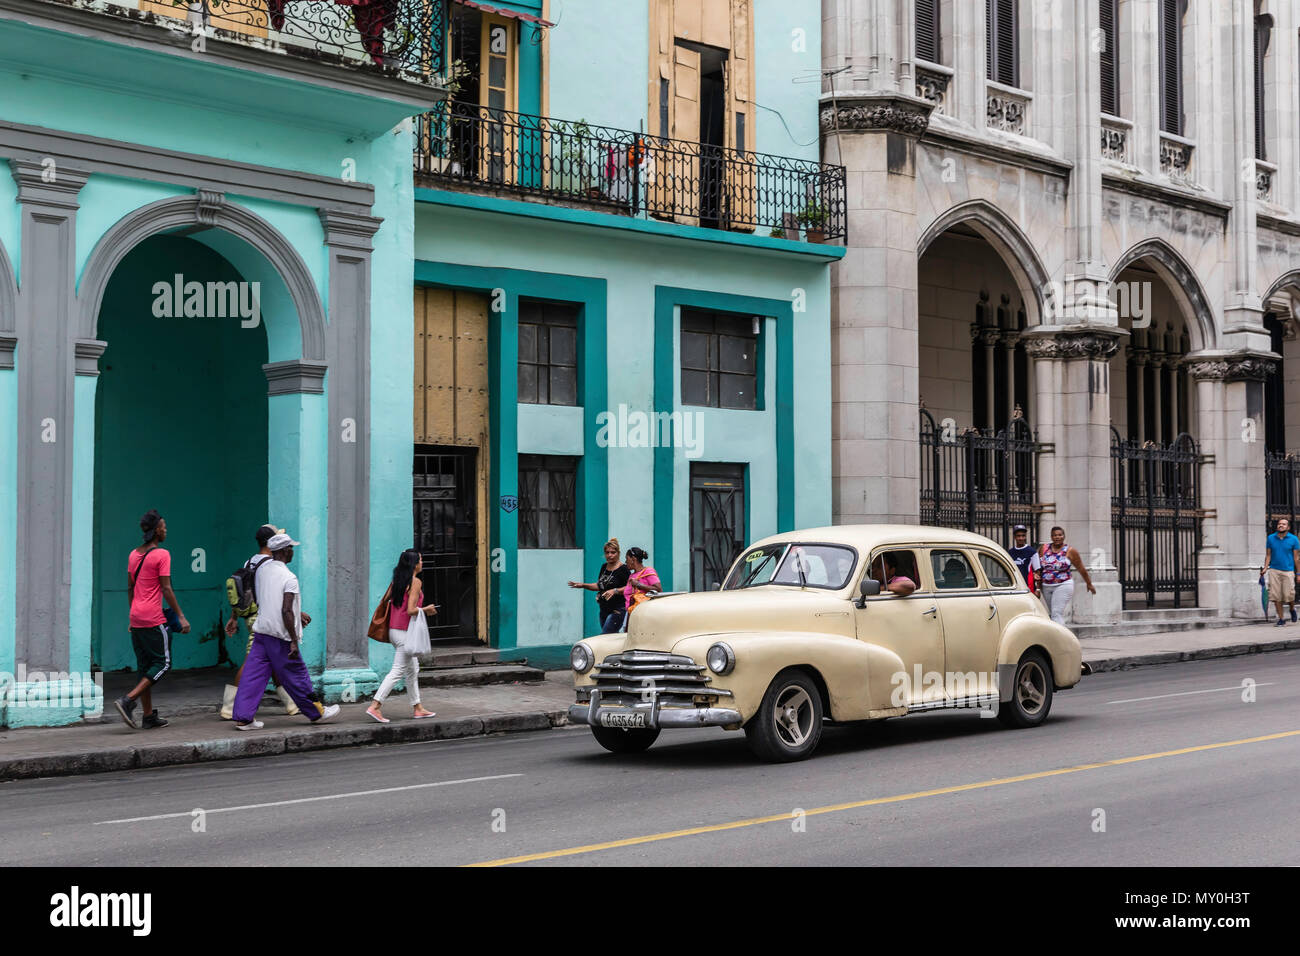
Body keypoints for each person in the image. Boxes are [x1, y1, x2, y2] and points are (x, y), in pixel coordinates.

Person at [231, 532, 340, 729]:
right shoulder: (289, 577)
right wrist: (293, 639)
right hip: (280, 636)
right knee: (297, 675)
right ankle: (317, 712)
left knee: (253, 676)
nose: (292, 552)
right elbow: (286, 610)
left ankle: (243, 717)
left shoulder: (262, 570)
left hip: (262, 632)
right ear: (283, 551)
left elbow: (261, 598)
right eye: (291, 548)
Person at [114, 510, 190, 730]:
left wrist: (133, 614)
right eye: (164, 526)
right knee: (163, 664)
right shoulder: (162, 555)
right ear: (157, 530)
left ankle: (148, 716)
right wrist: (181, 617)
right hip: (153, 618)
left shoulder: (133, 555)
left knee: (144, 667)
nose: (166, 530)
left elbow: (130, 587)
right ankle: (128, 700)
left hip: (136, 617)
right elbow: (166, 588)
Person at [220, 524, 298, 719]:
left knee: (273, 660)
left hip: (250, 616)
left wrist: (234, 617)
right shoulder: (270, 564)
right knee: (252, 662)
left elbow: (242, 591)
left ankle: (290, 703)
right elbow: (275, 594)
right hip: (265, 618)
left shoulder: (250, 562)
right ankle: (229, 706)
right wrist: (296, 612)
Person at [366, 548, 437, 723]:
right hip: (405, 633)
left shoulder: (397, 581)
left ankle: (418, 707)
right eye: (420, 560)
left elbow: (385, 601)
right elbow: (412, 610)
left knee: (413, 669)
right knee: (397, 671)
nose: (422, 562)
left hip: (394, 631)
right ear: (413, 564)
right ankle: (375, 705)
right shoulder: (415, 582)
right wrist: (426, 610)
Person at [1030, 526, 1096, 626]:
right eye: (1055, 535)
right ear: (1051, 537)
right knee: (1054, 614)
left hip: (1064, 585)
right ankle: (1059, 636)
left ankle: (1060, 639)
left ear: (1064, 536)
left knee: (1056, 613)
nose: (1057, 537)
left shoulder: (1070, 551)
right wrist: (1038, 588)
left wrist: (1089, 583)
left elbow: (1081, 568)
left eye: (1060, 535)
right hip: (1046, 586)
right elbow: (1038, 568)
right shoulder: (1044, 548)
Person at [568, 537, 630, 633]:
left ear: (618, 553)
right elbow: (600, 586)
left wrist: (615, 591)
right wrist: (583, 585)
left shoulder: (623, 569)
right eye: (607, 552)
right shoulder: (604, 567)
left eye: (613, 552)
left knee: (605, 636)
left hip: (617, 610)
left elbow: (630, 588)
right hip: (604, 609)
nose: (610, 555)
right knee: (610, 639)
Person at [1262, 517, 1300, 627]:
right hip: (1274, 570)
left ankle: (1292, 609)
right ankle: (1281, 619)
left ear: (1288, 527)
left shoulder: (1294, 539)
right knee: (1276, 596)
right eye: (1279, 524)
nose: (1281, 525)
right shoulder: (1270, 538)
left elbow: (1296, 558)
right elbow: (1268, 555)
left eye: (1283, 524)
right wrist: (1265, 567)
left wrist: (1298, 573)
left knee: (1288, 595)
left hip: (1288, 570)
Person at [620, 547, 661, 631]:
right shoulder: (632, 575)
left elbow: (658, 589)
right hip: (631, 613)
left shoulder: (648, 571)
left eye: (626, 559)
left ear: (633, 559)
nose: (625, 562)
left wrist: (638, 584)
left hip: (643, 614)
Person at [1007, 524, 1036, 589]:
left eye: (1023, 536)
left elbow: (1037, 572)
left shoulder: (1032, 552)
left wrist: (1038, 589)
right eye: (1018, 536)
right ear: (1014, 537)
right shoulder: (1010, 552)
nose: (1021, 538)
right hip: (1014, 586)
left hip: (1028, 586)